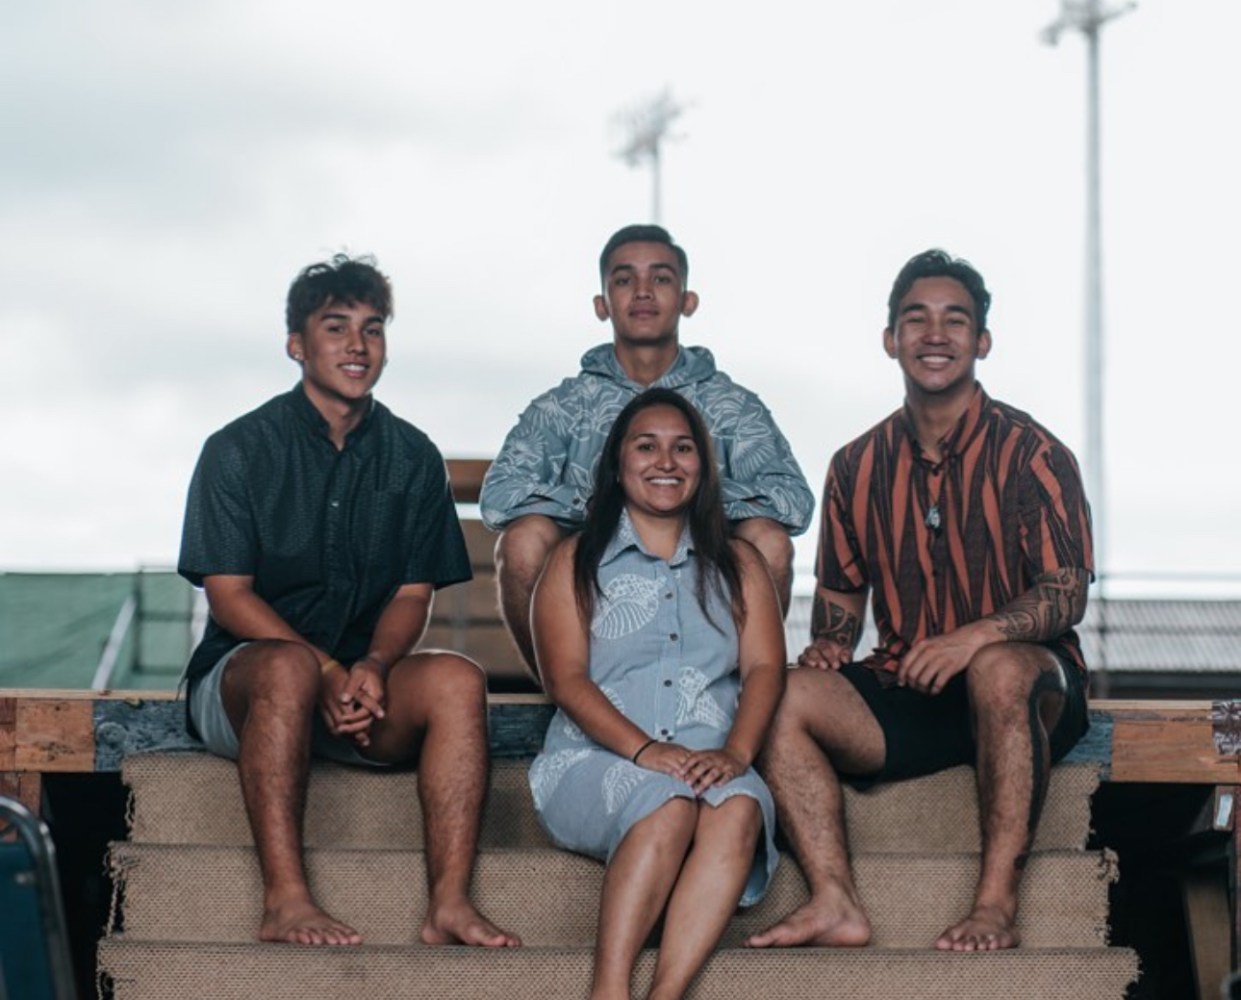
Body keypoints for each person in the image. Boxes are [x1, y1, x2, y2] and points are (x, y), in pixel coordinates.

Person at [748, 249, 1093, 953]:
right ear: (890, 340)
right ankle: (833, 901)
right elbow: (839, 602)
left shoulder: (1033, 453)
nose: (934, 334)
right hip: (910, 683)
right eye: (916, 319)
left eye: (954, 320)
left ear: (981, 342)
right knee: (779, 692)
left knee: (998, 669)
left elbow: (1066, 593)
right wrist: (830, 646)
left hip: (1031, 686)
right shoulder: (855, 464)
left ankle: (994, 903)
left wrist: (972, 640)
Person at [177, 254, 519, 949]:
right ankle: (285, 901)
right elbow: (228, 597)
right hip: (244, 687)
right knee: (286, 669)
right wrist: (327, 669)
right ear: (296, 345)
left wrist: (370, 666)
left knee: (457, 677)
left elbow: (411, 592)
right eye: (335, 328)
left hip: (361, 691)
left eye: (372, 329)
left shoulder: (412, 456)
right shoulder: (237, 450)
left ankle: (448, 904)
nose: (357, 345)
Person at [529, 388, 787, 1000]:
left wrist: (738, 755)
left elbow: (767, 669)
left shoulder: (740, 564)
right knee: (669, 801)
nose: (665, 462)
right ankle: (609, 990)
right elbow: (566, 679)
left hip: (711, 755)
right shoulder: (574, 562)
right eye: (646, 447)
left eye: (682, 448)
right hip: (598, 761)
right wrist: (646, 752)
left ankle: (665, 994)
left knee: (740, 807)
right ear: (618, 463)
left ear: (703, 465)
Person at [479, 224, 813, 681]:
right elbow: (499, 497)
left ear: (686, 300)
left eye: (660, 278)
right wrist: (616, 502)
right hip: (596, 588)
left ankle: (735, 695)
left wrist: (688, 501)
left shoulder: (732, 405)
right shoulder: (563, 406)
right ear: (602, 305)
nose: (642, 291)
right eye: (623, 280)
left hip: (702, 582)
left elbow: (793, 501)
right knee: (521, 540)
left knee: (770, 540)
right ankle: (563, 696)